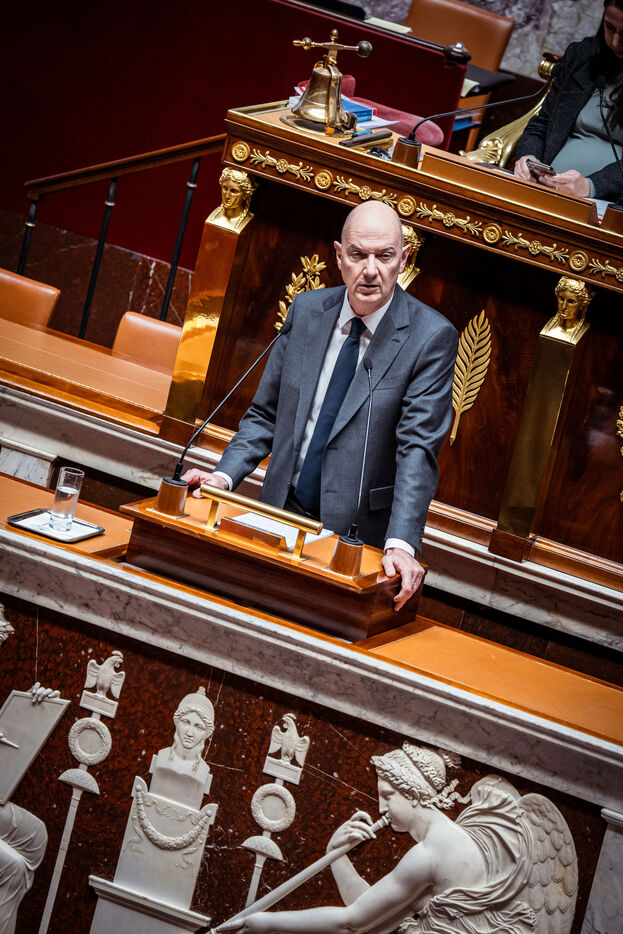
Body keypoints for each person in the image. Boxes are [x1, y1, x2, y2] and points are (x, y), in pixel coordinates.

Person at [184, 201, 458, 611]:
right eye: (358, 255)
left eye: (384, 256)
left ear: (403, 259)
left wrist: (401, 542)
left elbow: (417, 449)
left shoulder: (430, 338)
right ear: (339, 256)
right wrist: (223, 478)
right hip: (278, 512)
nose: (371, 270)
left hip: (355, 535)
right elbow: (266, 415)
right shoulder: (308, 310)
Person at [216, 743, 560, 934]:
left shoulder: (430, 853)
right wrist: (337, 855)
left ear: (413, 793)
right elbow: (375, 915)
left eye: (387, 795)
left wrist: (265, 923)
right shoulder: (448, 841)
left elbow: (352, 923)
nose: (381, 807)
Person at [514, 1, 623, 201]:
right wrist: (528, 158)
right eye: (609, 27)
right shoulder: (582, 57)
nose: (615, 42)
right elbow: (541, 124)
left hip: (609, 205)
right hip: (543, 191)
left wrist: (593, 186)